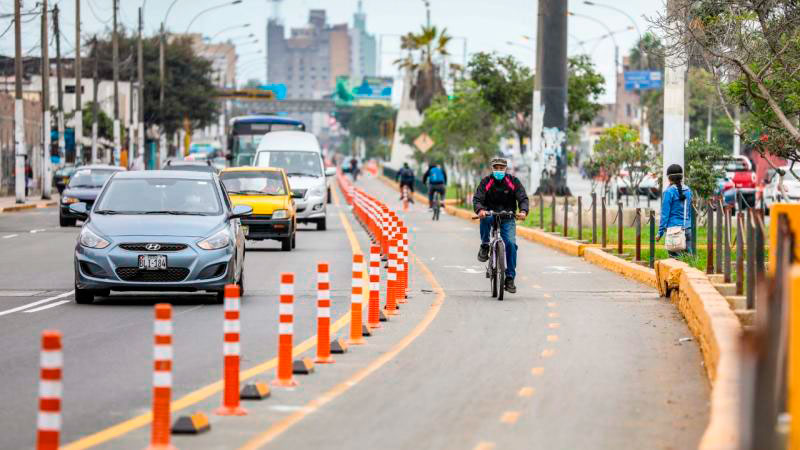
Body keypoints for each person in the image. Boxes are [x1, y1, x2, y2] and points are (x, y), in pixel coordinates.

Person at [473, 157, 529, 293]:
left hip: (508, 216)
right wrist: (480, 210)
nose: (499, 170)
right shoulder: (486, 181)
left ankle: (509, 278)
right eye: (496, 168)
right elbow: (478, 198)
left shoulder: (513, 181)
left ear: (506, 169)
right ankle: (485, 245)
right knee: (485, 219)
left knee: (510, 244)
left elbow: (522, 197)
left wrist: (523, 211)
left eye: (501, 168)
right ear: (492, 169)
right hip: (490, 214)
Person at [658, 164, 693, 257]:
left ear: (669, 178)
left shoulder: (669, 192)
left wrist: (660, 232)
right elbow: (689, 211)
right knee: (688, 259)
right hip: (688, 228)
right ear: (681, 177)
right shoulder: (688, 190)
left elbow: (665, 214)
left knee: (674, 260)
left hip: (674, 230)